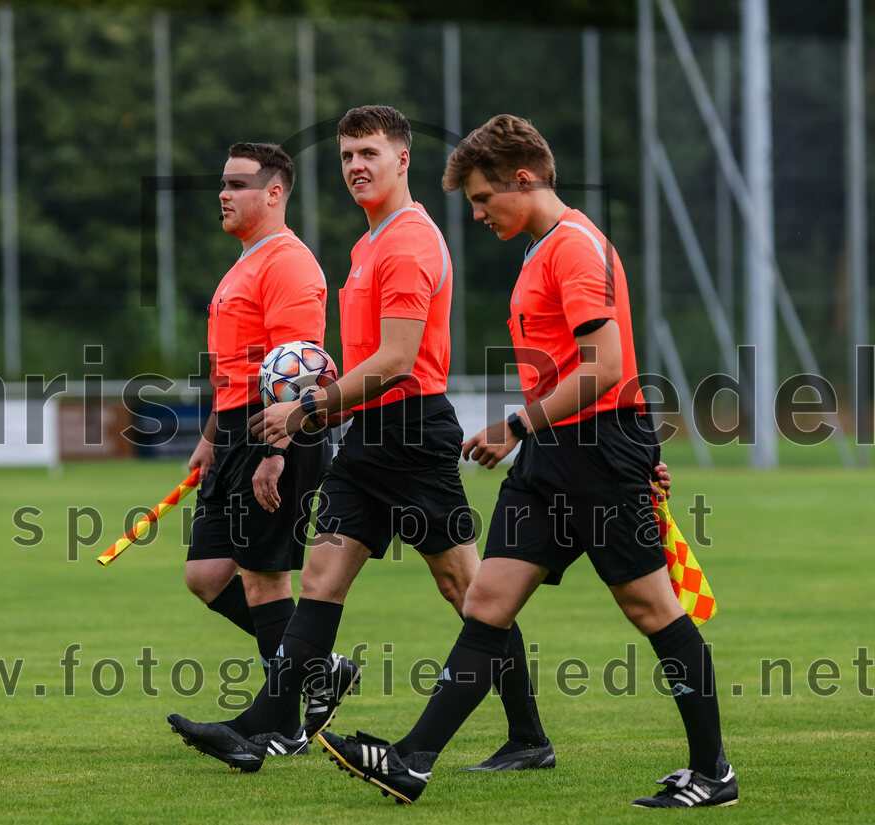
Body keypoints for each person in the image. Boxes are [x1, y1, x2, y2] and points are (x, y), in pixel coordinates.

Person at [317, 114, 736, 809]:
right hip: (556, 453)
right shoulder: (540, 249)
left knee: (650, 604)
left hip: (596, 448)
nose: (478, 214)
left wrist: (519, 423)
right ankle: (412, 760)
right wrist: (537, 433)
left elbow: (604, 367)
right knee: (487, 599)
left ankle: (713, 770)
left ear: (524, 178)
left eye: (484, 199)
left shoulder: (574, 248)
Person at [167, 104, 556, 775]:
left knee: (466, 588)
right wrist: (321, 410)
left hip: (411, 431)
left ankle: (528, 736)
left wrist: (305, 410)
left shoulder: (406, 241)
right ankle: (262, 724)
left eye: (368, 154)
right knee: (320, 577)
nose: (355, 167)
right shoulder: (368, 243)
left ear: (402, 159)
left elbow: (398, 360)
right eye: (346, 155)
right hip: (371, 432)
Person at [180, 142, 332, 757]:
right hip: (236, 432)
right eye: (222, 183)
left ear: (274, 194)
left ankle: (284, 726)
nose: (224, 193)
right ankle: (314, 669)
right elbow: (237, 371)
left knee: (265, 578)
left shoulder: (289, 265)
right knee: (207, 574)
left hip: (275, 434)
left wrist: (277, 449)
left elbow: (296, 375)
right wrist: (210, 439)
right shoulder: (245, 262)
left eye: (239, 184)